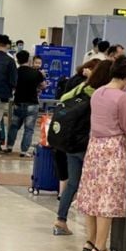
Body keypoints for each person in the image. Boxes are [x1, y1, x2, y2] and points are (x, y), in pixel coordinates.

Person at [75, 56, 126, 251]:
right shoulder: (122, 97)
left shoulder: (98, 92)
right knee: (107, 200)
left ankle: (90, 242)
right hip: (113, 150)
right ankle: (101, 248)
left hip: (95, 148)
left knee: (92, 196)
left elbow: (111, 119)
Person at [53, 60, 114, 236]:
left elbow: (63, 100)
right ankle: (94, 234)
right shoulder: (102, 94)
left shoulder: (82, 88)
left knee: (73, 183)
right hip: (89, 144)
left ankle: (60, 220)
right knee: (94, 187)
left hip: (71, 142)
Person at [5, 50, 46, 157]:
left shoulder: (15, 72)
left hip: (18, 102)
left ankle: (9, 146)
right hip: (32, 103)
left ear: (17, 60)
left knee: (14, 126)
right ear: (29, 60)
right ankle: (23, 151)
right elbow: (43, 85)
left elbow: (12, 85)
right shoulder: (36, 73)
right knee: (29, 129)